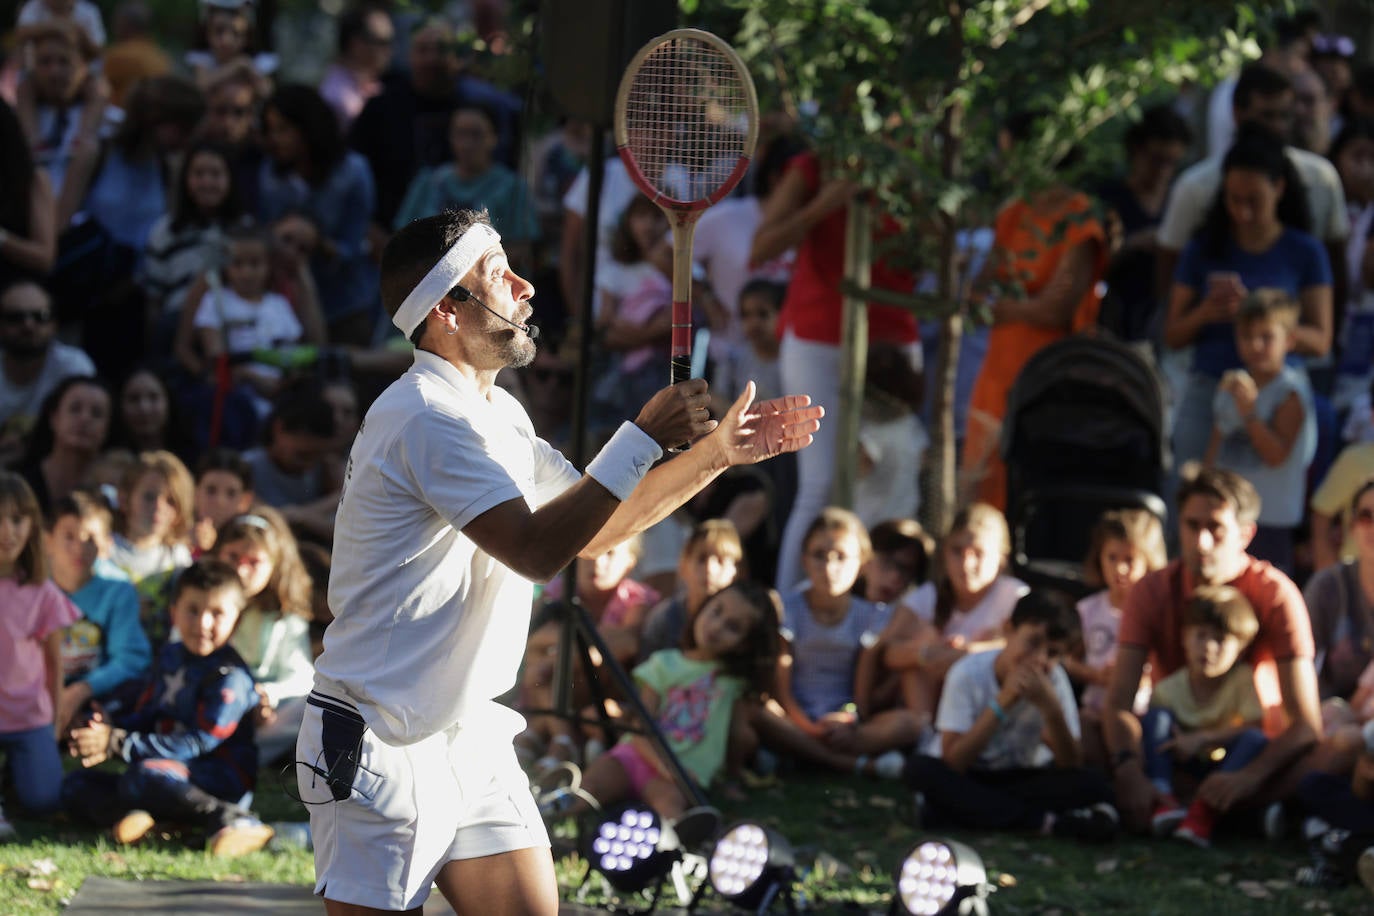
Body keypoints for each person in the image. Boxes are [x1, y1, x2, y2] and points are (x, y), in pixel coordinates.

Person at [295, 207, 820, 915]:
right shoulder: (424, 416)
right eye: (498, 275)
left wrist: (716, 454)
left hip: (469, 731)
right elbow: (539, 550)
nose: (526, 287)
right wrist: (639, 434)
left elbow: (595, 531)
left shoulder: (499, 412)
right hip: (379, 739)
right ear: (449, 308)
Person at [1104, 467, 1322, 834]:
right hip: (1169, 746)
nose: (1201, 542)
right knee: (1094, 728)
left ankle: (1207, 807)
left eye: (1215, 528)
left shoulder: (1276, 594)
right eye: (1192, 525)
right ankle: (1226, 813)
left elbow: (1305, 726)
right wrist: (1127, 769)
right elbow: (1118, 703)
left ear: (1246, 534)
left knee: (1340, 749)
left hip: (1248, 748)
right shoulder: (1151, 591)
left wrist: (1250, 776)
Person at [753, 145, 920, 591]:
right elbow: (762, 247)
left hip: (892, 338)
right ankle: (790, 614)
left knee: (891, 480)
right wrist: (826, 203)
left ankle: (881, 607)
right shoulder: (813, 166)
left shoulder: (918, 166)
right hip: (818, 336)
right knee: (821, 485)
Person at [60, 558, 274, 856]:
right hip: (161, 771)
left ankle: (229, 819)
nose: (203, 623)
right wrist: (108, 726)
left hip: (217, 778)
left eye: (217, 613)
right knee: (75, 785)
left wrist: (117, 742)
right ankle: (151, 823)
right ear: (173, 612)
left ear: (236, 621)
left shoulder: (230, 679)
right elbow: (150, 715)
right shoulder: (170, 656)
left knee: (145, 775)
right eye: (193, 610)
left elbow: (197, 742)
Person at [961, 112, 1107, 511]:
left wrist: (1004, 307)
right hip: (996, 374)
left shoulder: (1080, 217)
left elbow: (1057, 311)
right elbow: (978, 297)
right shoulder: (1014, 212)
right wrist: (1023, 305)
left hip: (1047, 379)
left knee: (1032, 495)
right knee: (980, 494)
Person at [1164, 125, 1333, 468]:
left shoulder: (1305, 251)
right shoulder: (1203, 249)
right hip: (1210, 387)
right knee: (1190, 491)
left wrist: (1262, 320)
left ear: (1279, 189)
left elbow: (1321, 341)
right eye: (1234, 200)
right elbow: (1173, 334)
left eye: (1254, 200)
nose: (1243, 212)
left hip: (1278, 399)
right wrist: (1206, 313)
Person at [559, 581, 780, 836]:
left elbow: (736, 735)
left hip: (681, 777)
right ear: (703, 607)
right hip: (634, 757)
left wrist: (731, 778)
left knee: (670, 810)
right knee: (589, 788)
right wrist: (668, 768)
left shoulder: (734, 684)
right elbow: (641, 725)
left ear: (745, 644)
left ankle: (670, 853)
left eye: (733, 627)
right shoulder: (663, 664)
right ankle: (550, 816)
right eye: (716, 611)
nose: (716, 626)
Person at [904, 589, 1119, 841]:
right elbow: (956, 760)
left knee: (1093, 783)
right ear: (1008, 630)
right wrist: (1002, 702)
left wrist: (1051, 710)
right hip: (969, 774)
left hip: (1020, 776)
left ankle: (951, 814)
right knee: (920, 770)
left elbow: (1069, 763)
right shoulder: (968, 674)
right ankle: (1044, 822)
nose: (1038, 659)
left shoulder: (1055, 682)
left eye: (1052, 653)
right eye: (1032, 643)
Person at [772, 508, 921, 773]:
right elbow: (781, 689)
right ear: (805, 560)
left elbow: (860, 696)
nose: (829, 567)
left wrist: (849, 719)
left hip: (844, 721)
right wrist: (809, 728)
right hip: (794, 719)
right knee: (759, 711)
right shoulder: (787, 609)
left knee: (909, 723)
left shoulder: (871, 616)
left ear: (863, 564)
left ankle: (799, 755)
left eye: (841, 557)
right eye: (819, 555)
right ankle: (855, 765)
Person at [1142, 585, 1268, 847]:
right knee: (1155, 719)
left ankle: (1202, 811)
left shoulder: (1242, 680)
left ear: (1241, 648)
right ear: (1184, 639)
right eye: (1200, 636)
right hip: (1179, 763)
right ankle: (1163, 800)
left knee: (1254, 738)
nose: (1209, 647)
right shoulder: (1167, 689)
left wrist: (1202, 739)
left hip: (1220, 767)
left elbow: (1254, 725)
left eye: (1220, 639)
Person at [879, 503, 1027, 725]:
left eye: (978, 553)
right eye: (957, 551)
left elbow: (1032, 648)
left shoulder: (1015, 596)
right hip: (930, 703)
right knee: (922, 637)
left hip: (990, 708)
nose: (967, 564)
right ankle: (926, 736)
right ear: (944, 553)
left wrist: (969, 653)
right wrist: (926, 653)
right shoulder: (928, 596)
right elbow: (887, 651)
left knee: (997, 639)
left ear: (1001, 558)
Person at [1203, 290, 1317, 571]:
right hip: (1226, 515)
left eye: (1266, 337)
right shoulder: (1231, 386)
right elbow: (1216, 447)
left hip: (1271, 522)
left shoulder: (1291, 393)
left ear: (1289, 340)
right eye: (1246, 336)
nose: (1255, 345)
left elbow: (1275, 455)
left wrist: (1249, 413)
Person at [258, 84, 376, 346]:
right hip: (285, 305)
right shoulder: (269, 174)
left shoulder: (353, 172)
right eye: (271, 130)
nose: (275, 139)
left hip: (344, 304)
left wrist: (317, 241)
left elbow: (356, 244)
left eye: (284, 129)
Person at [0, 471, 81, 838]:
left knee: (44, 800)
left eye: (17, 519)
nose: (8, 532)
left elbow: (54, 661)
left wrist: (54, 719)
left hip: (28, 715)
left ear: (32, 524)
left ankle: (15, 777)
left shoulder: (41, 591)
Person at [1063, 509, 1167, 768]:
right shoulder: (1087, 610)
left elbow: (1163, 666)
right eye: (1112, 557)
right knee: (1082, 730)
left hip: (1138, 709)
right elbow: (1066, 659)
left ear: (1149, 562)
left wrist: (1134, 676)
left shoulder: (1157, 612)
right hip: (1094, 708)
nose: (1120, 568)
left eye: (1130, 559)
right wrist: (1095, 675)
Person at [214, 507, 315, 766]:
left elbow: (301, 677)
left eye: (253, 562)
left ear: (275, 564)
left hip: (265, 709)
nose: (240, 570)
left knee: (311, 706)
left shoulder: (285, 615)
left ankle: (243, 753)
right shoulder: (208, 603)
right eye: (233, 557)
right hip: (214, 696)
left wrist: (269, 694)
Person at [47, 489, 150, 734]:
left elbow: (129, 659)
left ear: (106, 543)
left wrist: (81, 690)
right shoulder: (32, 586)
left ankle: (90, 730)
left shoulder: (119, 588)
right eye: (69, 536)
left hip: (96, 689)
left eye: (90, 538)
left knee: (135, 691)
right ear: (47, 540)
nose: (79, 548)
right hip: (39, 689)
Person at [392, 103, 539, 269]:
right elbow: (402, 240)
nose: (467, 144)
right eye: (460, 134)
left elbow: (521, 248)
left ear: (494, 138)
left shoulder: (512, 187)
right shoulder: (429, 182)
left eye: (476, 135)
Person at [1094, 104, 1193, 343]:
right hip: (1114, 316)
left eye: (1171, 163)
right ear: (1136, 150)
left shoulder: (1180, 200)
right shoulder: (1109, 199)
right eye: (1156, 160)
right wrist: (1132, 245)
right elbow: (1090, 266)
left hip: (1162, 317)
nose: (1163, 171)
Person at [192, 225, 305, 410]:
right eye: (237, 263)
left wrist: (285, 383)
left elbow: (294, 354)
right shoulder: (215, 301)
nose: (246, 272)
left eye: (255, 263)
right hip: (235, 398)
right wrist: (252, 378)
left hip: (280, 397)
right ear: (225, 265)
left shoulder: (279, 305)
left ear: (269, 265)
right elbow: (216, 356)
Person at [138, 139, 245, 336]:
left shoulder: (245, 230)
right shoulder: (166, 231)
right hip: (176, 324)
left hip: (233, 326)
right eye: (199, 174)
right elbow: (154, 299)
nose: (207, 182)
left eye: (215, 174)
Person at [0, 279, 95, 467]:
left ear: (54, 324)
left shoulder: (74, 367)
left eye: (40, 316)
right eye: (15, 317)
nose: (28, 325)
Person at [107, 450, 196, 649]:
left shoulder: (177, 557)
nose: (158, 506)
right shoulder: (106, 549)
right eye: (149, 496)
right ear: (124, 499)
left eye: (170, 501)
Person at [636, 519, 744, 663]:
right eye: (701, 559)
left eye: (720, 561)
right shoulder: (664, 619)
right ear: (684, 564)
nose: (709, 570)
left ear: (736, 571)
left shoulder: (744, 621)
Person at [14, 374, 111, 514]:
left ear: (107, 428)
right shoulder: (21, 484)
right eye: (75, 409)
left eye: (96, 413)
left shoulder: (113, 491)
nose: (85, 418)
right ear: (54, 418)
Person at [318, 3, 393, 132]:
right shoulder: (336, 99)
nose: (389, 50)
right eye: (382, 42)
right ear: (356, 44)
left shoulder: (375, 85)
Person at [855, 517, 933, 607]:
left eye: (907, 570)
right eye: (887, 562)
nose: (895, 576)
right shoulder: (837, 605)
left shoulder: (909, 617)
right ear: (866, 556)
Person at [190, 447, 254, 555]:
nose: (220, 501)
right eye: (211, 490)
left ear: (245, 500)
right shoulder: (176, 541)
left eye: (231, 493)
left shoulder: (253, 548)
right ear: (195, 494)